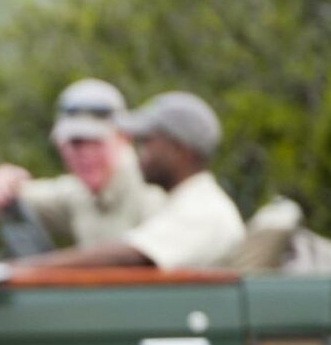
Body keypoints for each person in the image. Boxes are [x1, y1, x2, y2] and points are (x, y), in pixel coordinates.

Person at [14, 90, 245, 271]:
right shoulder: (180, 201)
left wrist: (22, 271)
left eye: (146, 141)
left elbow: (131, 256)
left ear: (178, 150)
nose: (137, 152)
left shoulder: (204, 210)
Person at [0, 78, 166, 250]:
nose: (84, 154)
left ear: (123, 138)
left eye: (95, 142)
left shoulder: (153, 191)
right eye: (74, 143)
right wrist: (2, 177)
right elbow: (11, 195)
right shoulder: (78, 192)